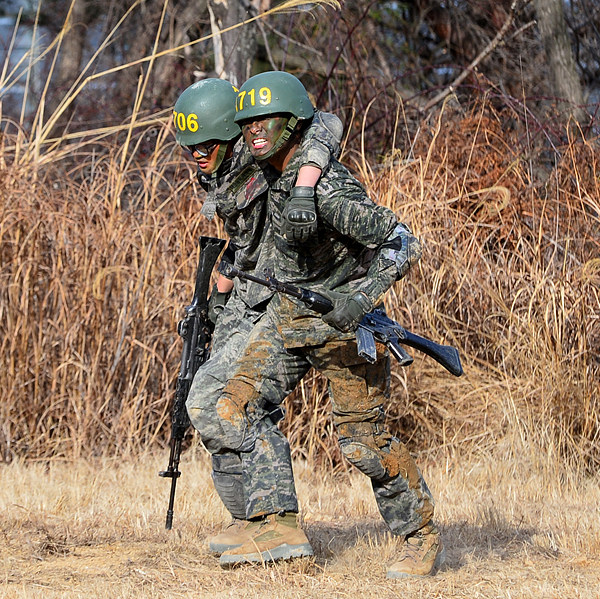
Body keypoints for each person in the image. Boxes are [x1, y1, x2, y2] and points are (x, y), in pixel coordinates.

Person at [211, 71, 444, 578]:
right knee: (235, 407)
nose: (253, 129)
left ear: (292, 123)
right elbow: (230, 156)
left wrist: (360, 299)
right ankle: (278, 524)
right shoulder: (265, 167)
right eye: (247, 120)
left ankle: (419, 538)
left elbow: (403, 240)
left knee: (364, 443)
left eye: (264, 119)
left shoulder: (327, 190)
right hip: (288, 320)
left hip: (343, 329)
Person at [171, 78, 342, 557]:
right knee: (201, 399)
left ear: (229, 135)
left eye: (205, 145)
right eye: (190, 148)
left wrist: (306, 182)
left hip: (283, 296)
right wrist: (211, 307)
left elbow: (325, 123)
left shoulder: (260, 154)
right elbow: (239, 242)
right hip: (245, 292)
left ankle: (279, 522)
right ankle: (248, 518)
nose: (197, 156)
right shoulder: (218, 174)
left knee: (234, 400)